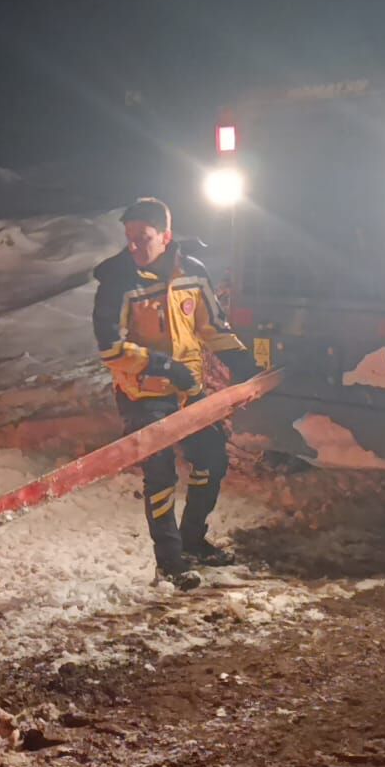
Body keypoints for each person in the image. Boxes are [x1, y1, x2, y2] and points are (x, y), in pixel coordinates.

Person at [93, 198, 259, 589]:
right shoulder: (117, 281)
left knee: (211, 461)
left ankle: (193, 541)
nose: (134, 246)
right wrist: (165, 367)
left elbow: (211, 327)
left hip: (189, 391)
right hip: (144, 393)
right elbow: (111, 348)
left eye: (144, 238)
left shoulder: (193, 273)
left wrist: (242, 362)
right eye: (130, 238)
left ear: (166, 237)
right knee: (161, 475)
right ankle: (170, 562)